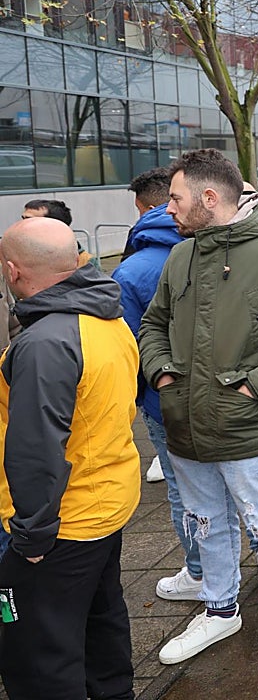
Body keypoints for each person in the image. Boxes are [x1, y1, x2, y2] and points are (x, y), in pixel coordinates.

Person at [138, 149, 258, 675]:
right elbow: (153, 324)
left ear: (208, 197)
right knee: (204, 523)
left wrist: (254, 387)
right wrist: (162, 375)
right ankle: (220, 609)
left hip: (249, 428)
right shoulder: (181, 256)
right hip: (186, 425)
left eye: (175, 198)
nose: (167, 208)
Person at [0, 217, 141, 700]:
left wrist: (31, 535)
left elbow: (36, 448)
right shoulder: (106, 317)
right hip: (105, 502)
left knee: (40, 654)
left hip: (61, 522)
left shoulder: (44, 344)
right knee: (101, 624)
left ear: (14, 271)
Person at [111, 169, 208, 601]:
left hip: (163, 398)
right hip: (229, 393)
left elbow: (129, 345)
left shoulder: (130, 271)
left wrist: (147, 391)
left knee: (183, 488)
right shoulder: (221, 253)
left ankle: (200, 572)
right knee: (243, 486)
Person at [20, 199, 96, 267]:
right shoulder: (18, 254)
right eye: (23, 219)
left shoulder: (85, 262)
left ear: (56, 225)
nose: (22, 224)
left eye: (29, 220)